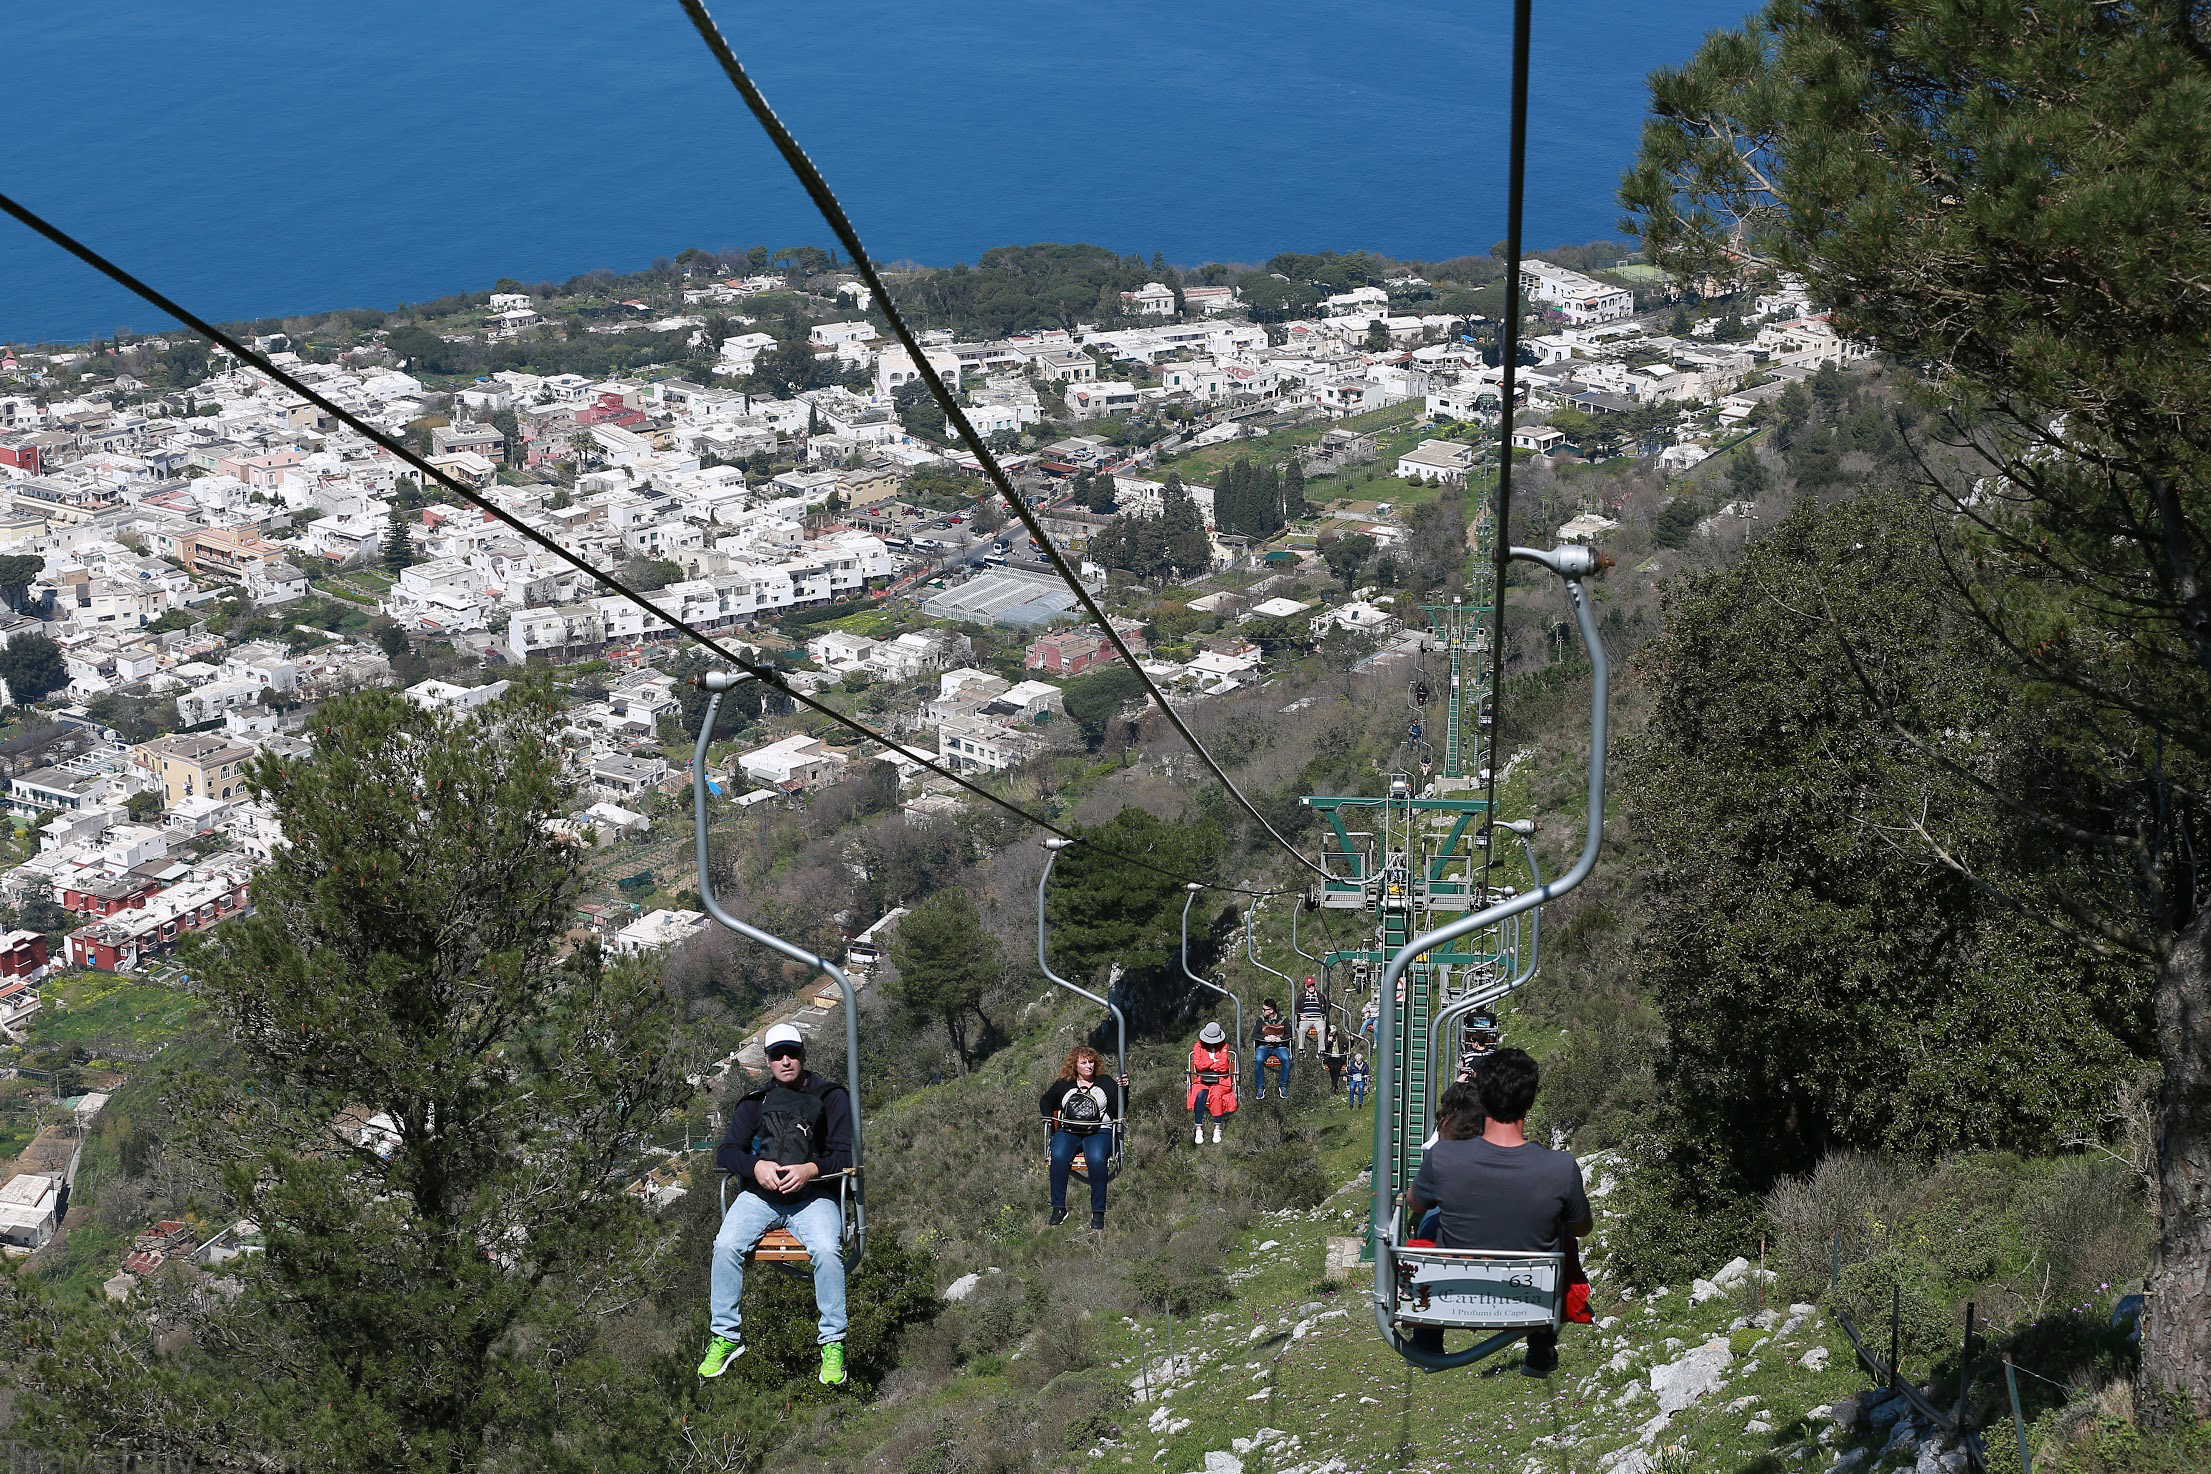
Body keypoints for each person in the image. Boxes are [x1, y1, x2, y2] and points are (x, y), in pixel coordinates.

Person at [1404, 1049, 1592, 1377]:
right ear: (1530, 1102)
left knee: (1430, 1225)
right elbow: (1581, 1227)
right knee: (1560, 1236)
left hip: (1455, 1291)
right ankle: (1540, 1345)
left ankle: (1428, 1336)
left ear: (1484, 1099)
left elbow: (1416, 1205)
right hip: (1529, 1295)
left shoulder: (1444, 1157)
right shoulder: (1561, 1167)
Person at [702, 1022, 854, 1386]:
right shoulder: (756, 1104)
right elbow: (726, 1152)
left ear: (803, 1055)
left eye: (792, 1053)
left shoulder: (831, 1097)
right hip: (761, 1197)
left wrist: (811, 1169)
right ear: (768, 1061)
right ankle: (725, 1336)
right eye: (777, 1055)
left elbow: (845, 1155)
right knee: (725, 1245)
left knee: (826, 1250)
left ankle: (833, 1343)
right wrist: (757, 1166)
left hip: (814, 1196)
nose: (786, 1061)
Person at [1040, 1045, 1127, 1229]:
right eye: (1084, 1063)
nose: (1089, 1066)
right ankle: (1058, 1208)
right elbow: (1046, 1100)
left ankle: (1098, 1213)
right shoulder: (1064, 1084)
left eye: (1092, 1062)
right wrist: (1047, 1115)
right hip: (1070, 1130)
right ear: (1075, 1065)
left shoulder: (1104, 1082)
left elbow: (1121, 1106)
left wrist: (1123, 1089)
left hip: (1098, 1130)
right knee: (1058, 1155)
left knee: (1096, 1159)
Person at [1186, 1020, 1238, 1144]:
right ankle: (1199, 1128)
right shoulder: (1198, 1046)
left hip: (1221, 1079)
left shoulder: (1224, 1046)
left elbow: (1224, 1066)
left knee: (1216, 1095)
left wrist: (1207, 1065)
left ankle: (1217, 1127)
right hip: (1202, 1079)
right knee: (1200, 1094)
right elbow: (1198, 1065)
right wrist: (1213, 1062)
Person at [1251, 1000, 1291, 1099]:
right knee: (1259, 1059)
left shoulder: (1283, 1019)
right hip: (1265, 1046)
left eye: (1265, 1009)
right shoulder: (1261, 1020)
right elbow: (1254, 1035)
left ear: (1272, 1010)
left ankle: (1283, 1086)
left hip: (1279, 1046)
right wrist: (1265, 1038)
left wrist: (1279, 1039)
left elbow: (1289, 1035)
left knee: (1286, 1059)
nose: (1263, 1011)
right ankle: (1260, 1088)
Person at [1293, 976, 1328, 1054]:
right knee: (1301, 1029)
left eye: (1312, 985)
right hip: (1306, 1019)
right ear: (1306, 986)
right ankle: (1301, 1049)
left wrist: (1323, 1013)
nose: (1311, 987)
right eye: (1309, 986)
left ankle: (1321, 1050)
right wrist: (1300, 1016)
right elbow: (1297, 1008)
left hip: (1318, 1018)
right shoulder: (1302, 997)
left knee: (1322, 1029)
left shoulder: (1320, 996)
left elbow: (1326, 1006)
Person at [1322, 1028, 1347, 1094]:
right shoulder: (1326, 1037)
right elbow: (1324, 1048)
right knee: (1332, 1067)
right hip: (1330, 1056)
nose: (1332, 1034)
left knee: (1338, 1067)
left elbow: (1348, 1046)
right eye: (1330, 1033)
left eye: (1333, 1033)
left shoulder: (1341, 1037)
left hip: (1339, 1056)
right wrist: (1329, 1041)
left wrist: (1351, 1040)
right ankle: (1335, 1086)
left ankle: (1334, 1086)